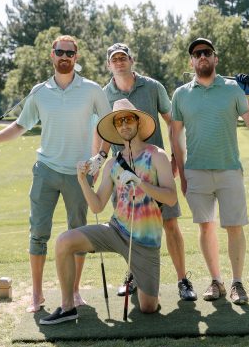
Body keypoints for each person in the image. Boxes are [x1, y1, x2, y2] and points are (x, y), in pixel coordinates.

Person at [0, 35, 112, 312]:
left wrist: (101, 158)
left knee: (78, 234)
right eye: (60, 52)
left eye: (70, 53)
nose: (64, 57)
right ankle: (37, 295)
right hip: (45, 170)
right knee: (38, 234)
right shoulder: (39, 91)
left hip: (79, 175)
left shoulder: (92, 90)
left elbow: (107, 127)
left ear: (76, 57)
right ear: (52, 55)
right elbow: (20, 126)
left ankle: (74, 291)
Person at [40, 99, 177, 324]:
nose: (124, 124)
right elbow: (97, 206)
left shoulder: (157, 155)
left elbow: (171, 198)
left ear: (138, 122)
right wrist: (82, 180)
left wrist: (140, 183)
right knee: (64, 241)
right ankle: (67, 307)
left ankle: (142, 281)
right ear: (115, 127)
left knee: (148, 308)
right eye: (119, 121)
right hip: (115, 231)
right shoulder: (113, 163)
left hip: (145, 242)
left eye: (128, 119)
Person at [96, 43, 197, 301]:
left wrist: (175, 157)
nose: (119, 62)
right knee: (129, 227)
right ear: (109, 65)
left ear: (131, 60)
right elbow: (107, 132)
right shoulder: (104, 94)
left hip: (156, 166)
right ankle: (133, 276)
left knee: (171, 224)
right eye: (114, 59)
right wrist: (100, 159)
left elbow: (172, 123)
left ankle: (182, 279)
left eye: (123, 58)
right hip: (124, 172)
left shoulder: (153, 87)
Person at [170, 38, 249, 305]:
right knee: (205, 227)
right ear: (191, 61)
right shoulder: (181, 94)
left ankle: (237, 283)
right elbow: (175, 135)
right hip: (196, 172)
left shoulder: (234, 89)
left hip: (229, 170)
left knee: (234, 226)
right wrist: (183, 173)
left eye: (207, 53)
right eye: (197, 54)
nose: (202, 57)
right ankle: (216, 281)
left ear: (215, 59)